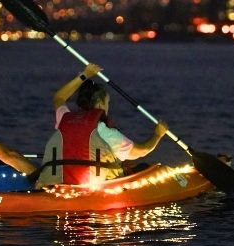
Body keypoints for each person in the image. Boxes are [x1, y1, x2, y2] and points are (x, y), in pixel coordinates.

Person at [34, 63, 169, 187]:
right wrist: (157, 134)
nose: (108, 106)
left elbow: (59, 97)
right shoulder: (105, 132)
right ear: (99, 103)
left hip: (59, 185)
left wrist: (85, 74)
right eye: (107, 102)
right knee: (145, 167)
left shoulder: (64, 119)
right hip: (94, 189)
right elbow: (142, 150)